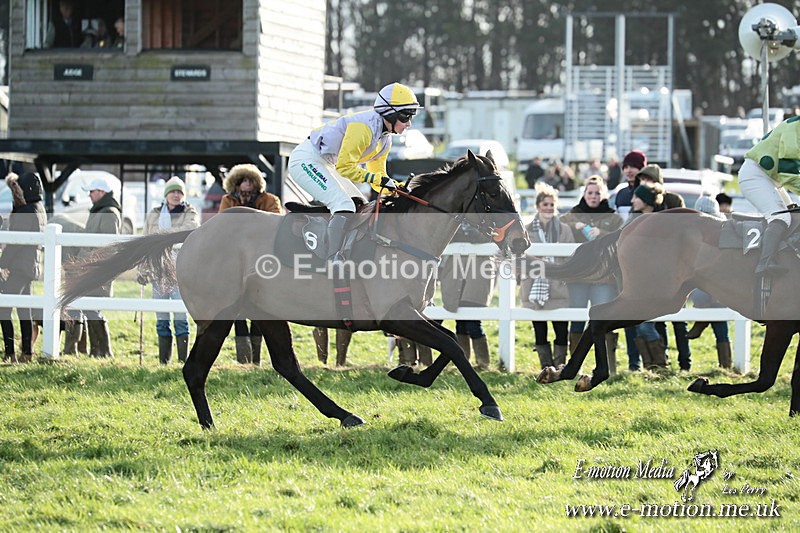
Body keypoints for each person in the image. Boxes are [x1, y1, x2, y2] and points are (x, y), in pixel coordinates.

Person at [287, 81, 419, 264]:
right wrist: (379, 180)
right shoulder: (363, 128)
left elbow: (377, 176)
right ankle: (332, 259)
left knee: (361, 205)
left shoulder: (384, 139)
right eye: (406, 117)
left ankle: (347, 252)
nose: (409, 123)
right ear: (390, 113)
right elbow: (345, 167)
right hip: (306, 161)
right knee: (344, 206)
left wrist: (397, 189)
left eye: (412, 116)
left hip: (327, 163)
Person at [219, 163, 282, 365]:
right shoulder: (227, 201)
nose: (246, 186)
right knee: (236, 309)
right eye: (242, 181)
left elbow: (275, 226)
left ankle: (256, 359)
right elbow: (223, 228)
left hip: (262, 263)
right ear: (235, 185)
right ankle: (243, 361)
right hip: (235, 263)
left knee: (259, 309)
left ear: (256, 184)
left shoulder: (270, 201)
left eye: (249, 181)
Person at [559, 176, 623, 372]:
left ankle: (608, 366)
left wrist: (601, 233)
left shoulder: (613, 218)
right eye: (590, 193)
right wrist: (577, 225)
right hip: (578, 276)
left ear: (603, 195)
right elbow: (560, 223)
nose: (593, 196)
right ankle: (573, 365)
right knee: (577, 318)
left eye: (597, 193)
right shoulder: (573, 215)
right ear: (584, 194)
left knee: (604, 319)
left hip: (603, 278)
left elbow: (621, 237)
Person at [139, 177, 200, 365]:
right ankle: (163, 361)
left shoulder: (190, 212)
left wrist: (162, 236)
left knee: (181, 316)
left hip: (180, 271)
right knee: (161, 317)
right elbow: (145, 241)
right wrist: (143, 269)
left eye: (179, 192)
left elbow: (190, 228)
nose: (176, 195)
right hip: (158, 271)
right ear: (166, 195)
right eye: (172, 191)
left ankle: (183, 360)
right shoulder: (155, 213)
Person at [519, 183, 575, 370]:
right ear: (538, 206)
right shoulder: (527, 229)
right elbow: (523, 256)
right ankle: (545, 366)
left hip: (558, 285)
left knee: (561, 330)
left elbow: (569, 256)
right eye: (545, 204)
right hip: (535, 285)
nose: (549, 208)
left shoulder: (564, 230)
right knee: (539, 330)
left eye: (552, 204)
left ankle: (560, 365)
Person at [739, 117, 800, 275]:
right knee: (781, 218)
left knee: (794, 214)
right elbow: (789, 174)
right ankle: (764, 263)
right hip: (755, 176)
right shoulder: (794, 128)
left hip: (772, 180)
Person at [0, 173, 46, 363]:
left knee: (3, 309)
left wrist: (2, 264)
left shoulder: (25, 211)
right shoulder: (39, 208)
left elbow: (15, 242)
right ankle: (27, 352)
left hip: (18, 266)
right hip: (30, 265)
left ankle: (10, 352)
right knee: (23, 309)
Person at [438, 222, 496, 370]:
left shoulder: (483, 217)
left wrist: (466, 228)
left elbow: (482, 237)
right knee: (460, 321)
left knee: (473, 321)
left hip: (478, 270)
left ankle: (483, 363)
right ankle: (464, 361)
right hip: (455, 270)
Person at [685, 195, 732, 370]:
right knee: (709, 300)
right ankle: (726, 366)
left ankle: (702, 322)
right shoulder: (693, 236)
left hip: (721, 284)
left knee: (711, 298)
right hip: (705, 284)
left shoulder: (723, 235)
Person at [78, 176, 121, 358]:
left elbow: (108, 246)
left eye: (92, 191)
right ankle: (98, 350)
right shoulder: (99, 211)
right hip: (91, 268)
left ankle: (103, 350)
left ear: (102, 192)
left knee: (92, 307)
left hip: (99, 269)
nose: (89, 195)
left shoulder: (108, 213)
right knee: (89, 306)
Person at [627, 183, 669, 369]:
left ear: (646, 201)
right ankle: (651, 367)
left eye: (636, 197)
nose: (632, 200)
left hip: (656, 282)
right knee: (638, 324)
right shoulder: (633, 220)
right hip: (636, 282)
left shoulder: (660, 223)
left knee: (645, 325)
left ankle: (659, 365)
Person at [614, 150, 647, 221]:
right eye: (626, 167)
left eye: (633, 166)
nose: (628, 171)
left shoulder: (650, 193)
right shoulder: (621, 194)